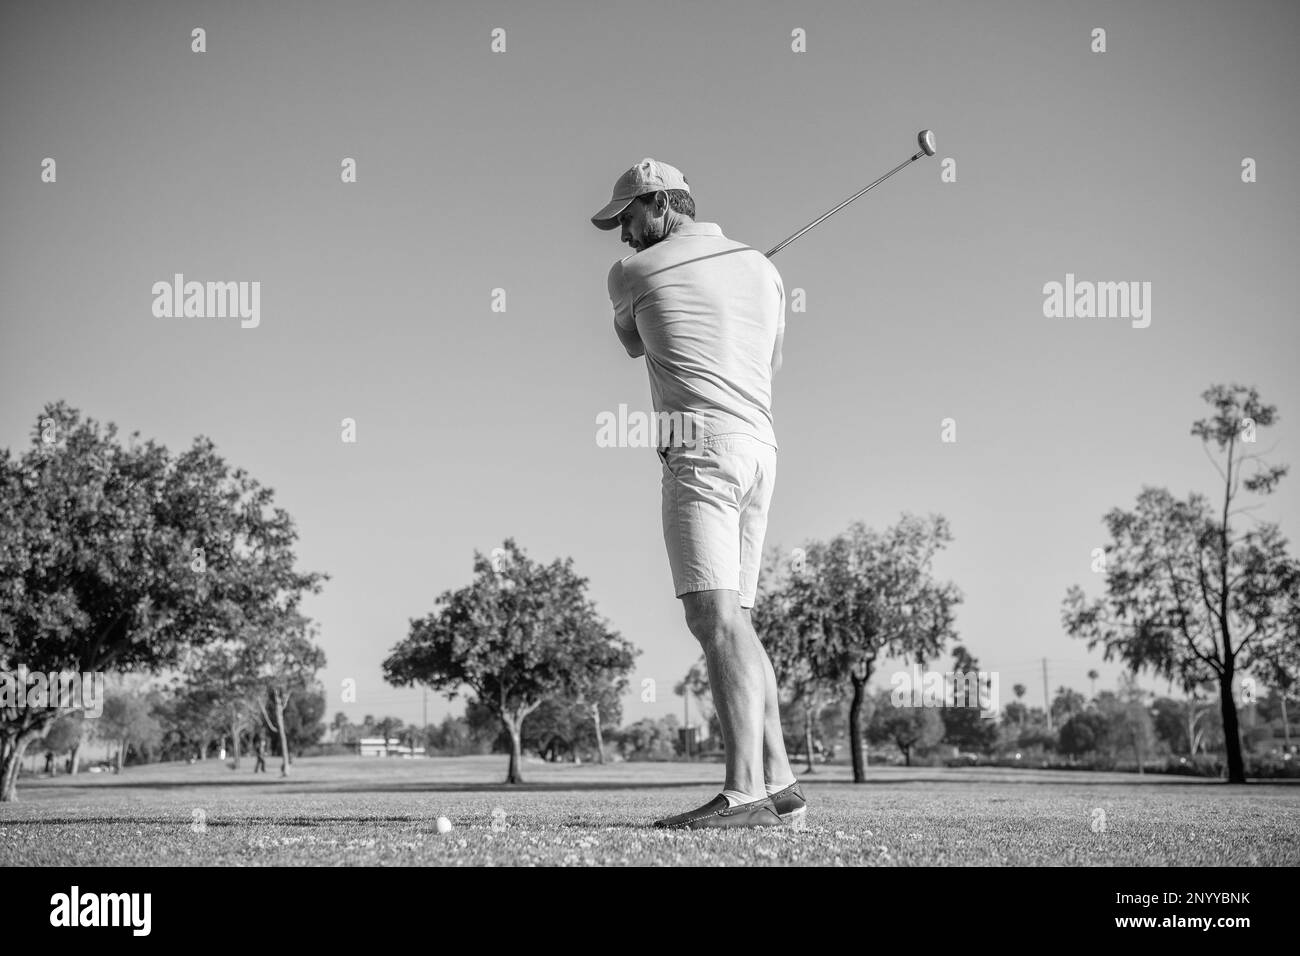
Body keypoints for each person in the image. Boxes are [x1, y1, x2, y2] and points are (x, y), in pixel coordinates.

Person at [592, 159, 807, 830]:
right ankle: (783, 785)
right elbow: (769, 362)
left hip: (701, 449)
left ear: (659, 205)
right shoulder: (765, 271)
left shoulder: (630, 275)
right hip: (761, 450)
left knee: (711, 621)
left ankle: (744, 789)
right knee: (738, 618)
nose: (621, 234)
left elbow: (631, 343)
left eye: (627, 217)